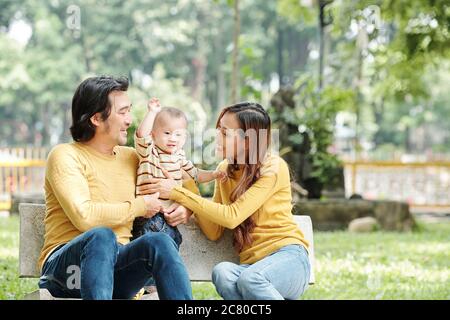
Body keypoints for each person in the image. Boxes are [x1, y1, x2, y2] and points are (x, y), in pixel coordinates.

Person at [38, 76, 192, 300]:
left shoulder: (132, 157)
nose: (130, 120)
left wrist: (185, 207)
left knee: (159, 242)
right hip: (66, 271)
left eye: (130, 111)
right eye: (123, 112)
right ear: (97, 118)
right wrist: (140, 206)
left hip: (117, 270)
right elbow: (85, 217)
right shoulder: (65, 155)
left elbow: (183, 181)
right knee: (101, 236)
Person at [139, 102, 311, 300]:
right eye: (218, 130)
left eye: (225, 133)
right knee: (222, 272)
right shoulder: (225, 169)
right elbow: (214, 230)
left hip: (289, 258)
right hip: (251, 267)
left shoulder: (273, 167)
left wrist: (178, 193)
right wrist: (187, 181)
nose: (217, 137)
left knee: (251, 279)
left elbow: (232, 216)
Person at [132, 97, 226, 247]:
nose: (172, 139)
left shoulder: (179, 156)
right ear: (153, 135)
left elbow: (195, 174)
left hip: (168, 219)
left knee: (173, 243)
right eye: (167, 133)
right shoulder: (150, 152)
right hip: (149, 216)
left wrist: (213, 175)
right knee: (155, 251)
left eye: (178, 134)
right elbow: (142, 135)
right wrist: (152, 112)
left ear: (184, 137)